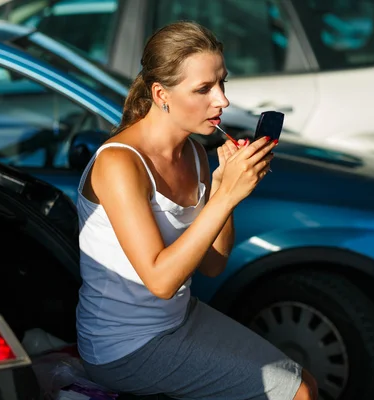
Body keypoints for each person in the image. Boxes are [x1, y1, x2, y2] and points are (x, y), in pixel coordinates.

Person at [75, 21, 318, 400]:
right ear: (161, 94)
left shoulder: (193, 152)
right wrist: (223, 198)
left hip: (179, 318)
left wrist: (225, 190)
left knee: (303, 382)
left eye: (222, 83)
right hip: (124, 345)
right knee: (297, 392)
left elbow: (212, 265)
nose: (222, 100)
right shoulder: (121, 164)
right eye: (203, 89)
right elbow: (161, 281)